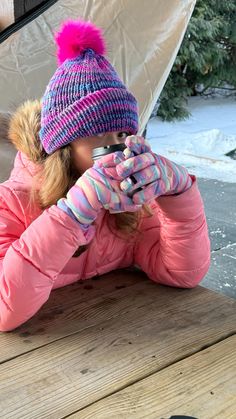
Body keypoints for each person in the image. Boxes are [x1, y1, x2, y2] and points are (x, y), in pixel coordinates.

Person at [0, 19, 210, 332]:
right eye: (98, 134)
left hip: (123, 338)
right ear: (63, 145)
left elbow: (182, 274)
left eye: (123, 131)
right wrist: (70, 215)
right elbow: (5, 310)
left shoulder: (131, 203)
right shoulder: (12, 202)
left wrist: (180, 195)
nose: (114, 145)